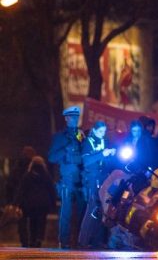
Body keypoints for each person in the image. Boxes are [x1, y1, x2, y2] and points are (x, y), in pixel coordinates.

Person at [47, 105, 85, 248]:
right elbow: (51, 157)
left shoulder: (81, 135)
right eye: (72, 117)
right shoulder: (59, 137)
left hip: (81, 179)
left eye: (77, 117)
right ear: (66, 118)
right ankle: (64, 241)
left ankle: (80, 240)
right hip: (67, 179)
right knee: (66, 212)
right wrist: (65, 149)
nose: (75, 119)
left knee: (82, 211)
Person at [78, 120, 116, 248]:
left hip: (103, 177)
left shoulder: (104, 142)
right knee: (92, 207)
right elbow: (86, 161)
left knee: (101, 209)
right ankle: (83, 240)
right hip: (92, 178)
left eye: (104, 132)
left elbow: (106, 162)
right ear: (94, 130)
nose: (102, 134)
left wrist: (111, 154)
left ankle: (96, 240)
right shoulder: (88, 142)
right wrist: (101, 154)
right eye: (100, 131)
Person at [13, 156, 57, 247]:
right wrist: (53, 202)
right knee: (42, 221)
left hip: (30, 203)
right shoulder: (46, 175)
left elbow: (22, 190)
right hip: (43, 203)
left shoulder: (28, 175)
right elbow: (51, 190)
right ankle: (39, 239)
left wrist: (16, 203)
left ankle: (32, 239)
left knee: (32, 221)